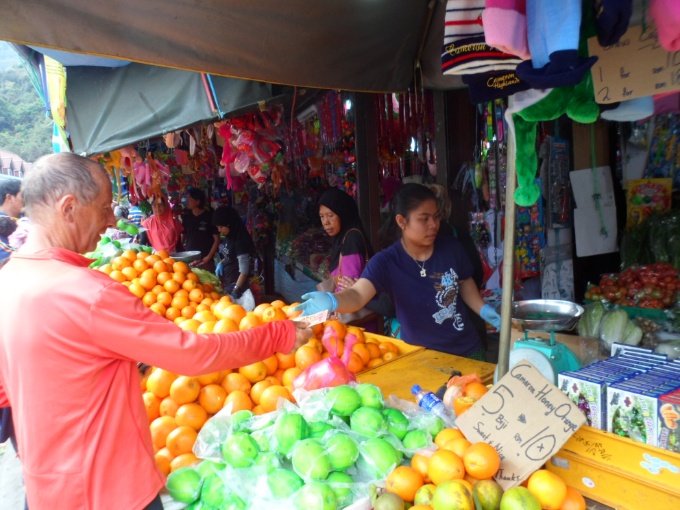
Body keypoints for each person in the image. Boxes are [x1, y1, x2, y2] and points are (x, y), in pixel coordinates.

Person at [0, 153, 312, 510]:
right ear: (68, 207)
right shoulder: (88, 293)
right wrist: (278, 334)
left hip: (44, 492)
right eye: (104, 208)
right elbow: (194, 354)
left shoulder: (7, 279)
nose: (109, 220)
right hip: (110, 491)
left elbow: (9, 392)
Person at [295, 183, 501, 360]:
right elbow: (358, 294)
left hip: (468, 350)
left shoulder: (452, 248)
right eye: (424, 219)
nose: (434, 225)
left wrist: (483, 309)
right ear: (402, 221)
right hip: (421, 355)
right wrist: (332, 300)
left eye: (436, 217)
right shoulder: (387, 261)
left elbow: (464, 282)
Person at [318, 188, 374, 292]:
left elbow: (348, 288)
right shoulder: (341, 239)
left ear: (343, 214)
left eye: (330, 215)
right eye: (322, 216)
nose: (326, 222)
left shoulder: (351, 240)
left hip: (347, 305)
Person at [213, 206, 255, 300]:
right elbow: (231, 255)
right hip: (228, 281)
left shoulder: (241, 241)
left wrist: (236, 290)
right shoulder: (229, 235)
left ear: (229, 224)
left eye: (221, 227)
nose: (219, 230)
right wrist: (221, 263)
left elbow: (244, 271)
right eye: (217, 227)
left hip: (237, 284)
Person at [181, 188, 220, 271]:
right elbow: (183, 235)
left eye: (189, 199)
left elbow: (217, 239)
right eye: (186, 198)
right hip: (189, 258)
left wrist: (209, 257)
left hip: (205, 259)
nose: (186, 201)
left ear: (198, 201)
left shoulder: (209, 216)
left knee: (208, 283)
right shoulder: (186, 216)